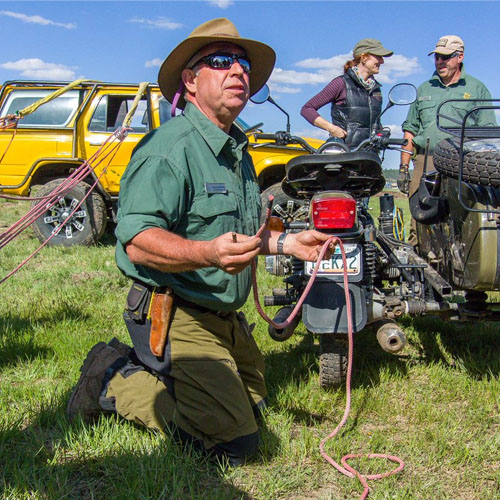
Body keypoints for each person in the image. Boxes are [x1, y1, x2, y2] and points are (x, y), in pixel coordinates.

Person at [66, 18, 333, 467]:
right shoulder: (169, 149)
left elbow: (239, 235)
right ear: (190, 81)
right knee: (235, 443)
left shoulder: (236, 152)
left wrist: (289, 243)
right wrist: (207, 254)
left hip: (222, 315)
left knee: (256, 408)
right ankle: (112, 377)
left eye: (244, 64)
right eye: (222, 61)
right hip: (176, 309)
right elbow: (137, 243)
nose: (239, 71)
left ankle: (181, 377)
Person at [398, 35, 496, 245]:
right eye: (436, 57)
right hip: (427, 159)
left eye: (445, 57)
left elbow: (487, 131)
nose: (440, 62)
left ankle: (458, 256)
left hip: (463, 161)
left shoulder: (476, 88)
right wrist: (403, 168)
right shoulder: (424, 89)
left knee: (460, 214)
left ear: (460, 57)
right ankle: (418, 255)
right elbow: (410, 130)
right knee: (420, 214)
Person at [301, 38, 393, 149]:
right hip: (345, 152)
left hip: (370, 154)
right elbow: (307, 109)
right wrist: (331, 128)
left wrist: (381, 132)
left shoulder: (375, 89)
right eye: (378, 56)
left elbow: (372, 122)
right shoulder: (341, 83)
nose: (382, 61)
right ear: (364, 57)